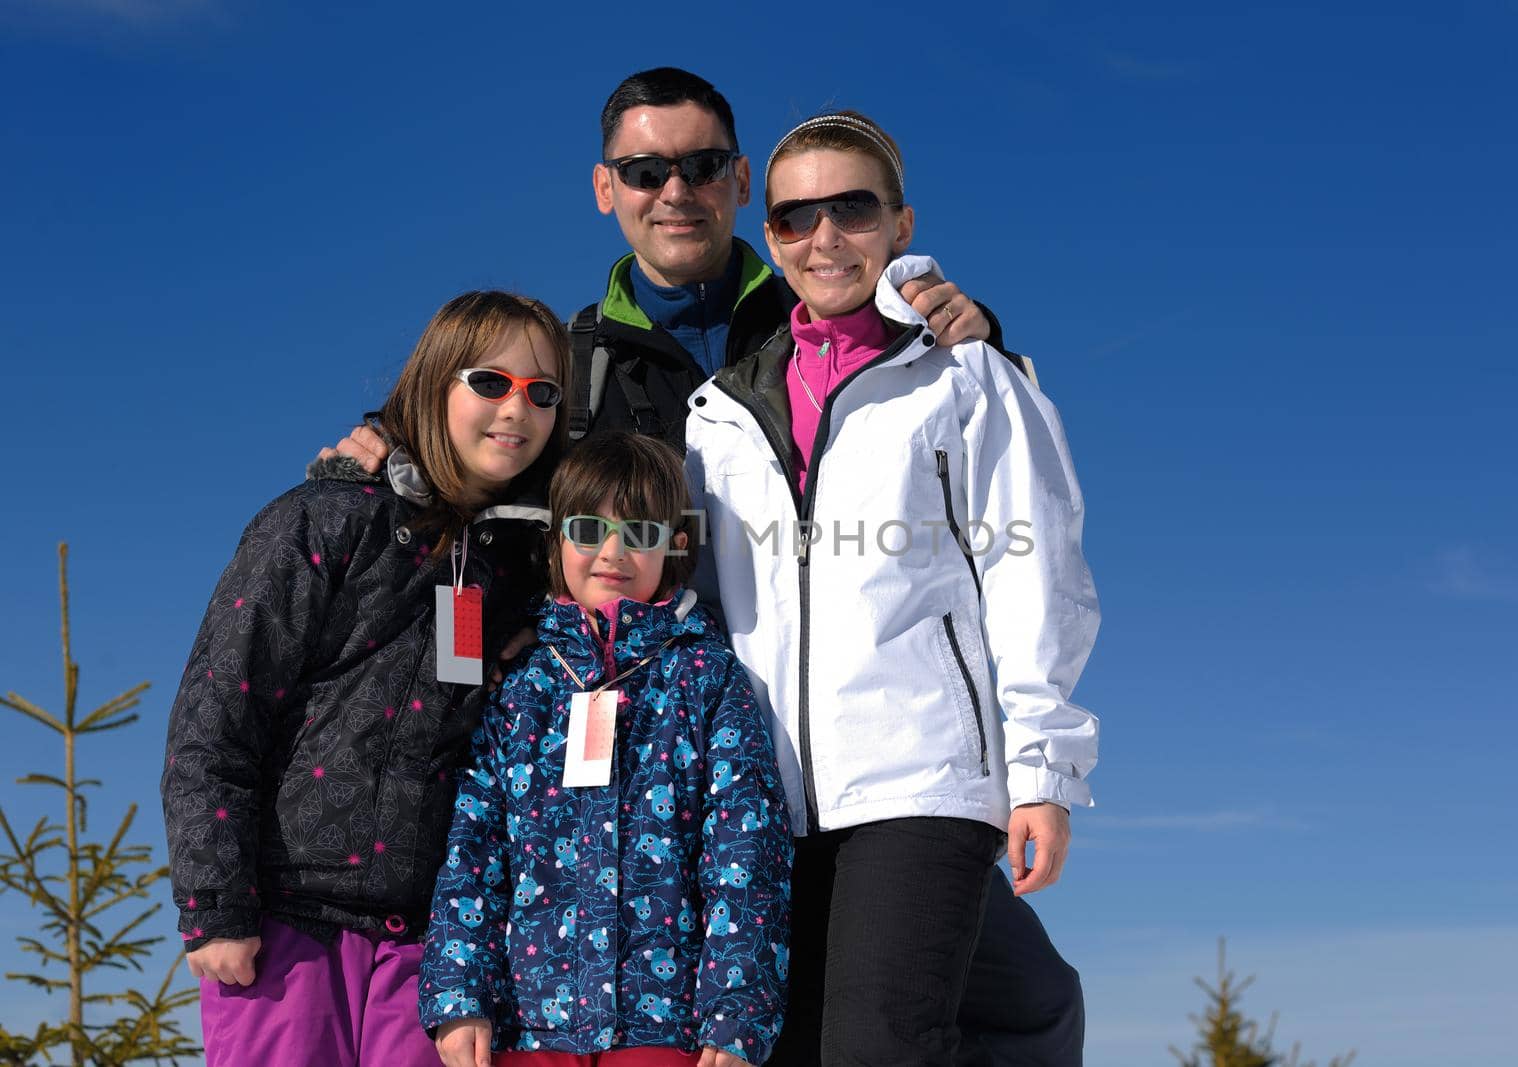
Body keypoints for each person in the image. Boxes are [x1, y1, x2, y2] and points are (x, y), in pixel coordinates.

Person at [331, 68, 1087, 1066]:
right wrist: (390, 444)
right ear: (607, 188)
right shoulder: (576, 360)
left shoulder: (822, 312)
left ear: (736, 184)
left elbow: (990, 490)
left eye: (697, 166)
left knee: (1018, 999)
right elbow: (492, 451)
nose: (672, 190)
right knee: (801, 1022)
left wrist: (966, 324)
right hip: (683, 760)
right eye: (645, 170)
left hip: (880, 742)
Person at [683, 110, 1100, 1066]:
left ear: (901, 226)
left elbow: (1035, 574)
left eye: (852, 207)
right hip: (765, 798)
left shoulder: (965, 378)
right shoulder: (721, 414)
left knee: (878, 1046)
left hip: (918, 782)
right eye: (794, 218)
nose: (824, 236)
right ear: (771, 236)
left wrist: (1042, 768)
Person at [161, 291, 571, 1066]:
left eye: (542, 392)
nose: (517, 408)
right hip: (284, 923)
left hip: (423, 944)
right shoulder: (325, 520)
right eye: (491, 381)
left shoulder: (519, 575)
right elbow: (216, 713)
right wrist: (215, 904)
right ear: (434, 381)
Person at [422, 432, 792, 1067]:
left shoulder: (705, 677)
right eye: (590, 529)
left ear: (676, 545)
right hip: (530, 1024)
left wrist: (736, 1015)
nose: (614, 552)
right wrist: (460, 996)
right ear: (557, 540)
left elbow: (747, 851)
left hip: (664, 1026)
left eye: (641, 533)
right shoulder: (525, 685)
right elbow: (473, 845)